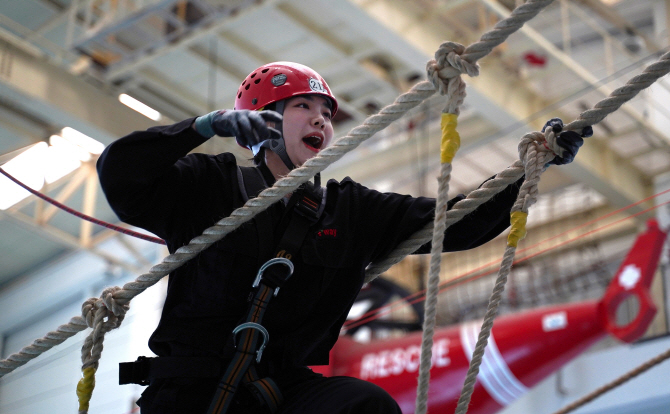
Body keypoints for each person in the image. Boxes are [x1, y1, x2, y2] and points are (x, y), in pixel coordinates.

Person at [97, 62, 589, 414]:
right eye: (302, 107)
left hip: (280, 390)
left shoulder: (350, 211)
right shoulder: (210, 186)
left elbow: (458, 222)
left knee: (365, 405)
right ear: (259, 122)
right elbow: (121, 174)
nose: (320, 120)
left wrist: (528, 170)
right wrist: (201, 128)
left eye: (327, 114)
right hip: (188, 391)